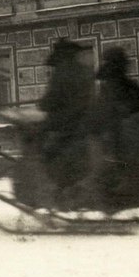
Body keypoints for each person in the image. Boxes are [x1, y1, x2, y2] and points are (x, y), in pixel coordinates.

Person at [39, 38, 95, 195]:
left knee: (40, 145)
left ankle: (56, 185)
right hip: (83, 121)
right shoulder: (84, 71)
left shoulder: (62, 72)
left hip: (64, 123)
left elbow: (51, 99)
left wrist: (42, 104)